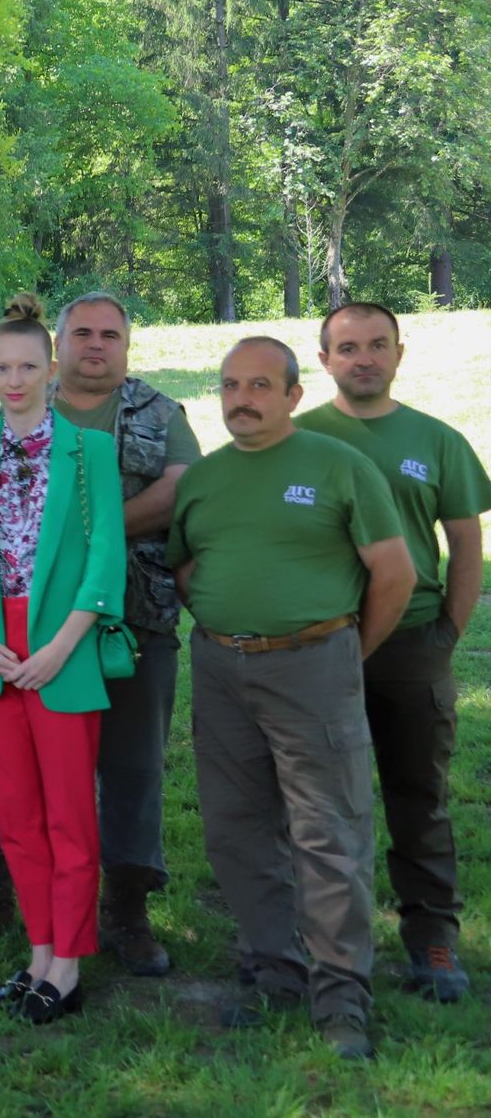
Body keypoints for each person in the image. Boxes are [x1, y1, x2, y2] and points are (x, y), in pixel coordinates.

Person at [169, 336, 414, 1061]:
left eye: (258, 386)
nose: (241, 399)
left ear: (292, 395)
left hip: (315, 665)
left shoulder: (340, 465)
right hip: (220, 666)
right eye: (229, 385)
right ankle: (274, 971)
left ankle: (342, 999)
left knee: (327, 832)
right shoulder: (203, 480)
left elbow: (393, 573)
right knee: (236, 827)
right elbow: (187, 567)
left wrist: (342, 650)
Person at [0, 291, 198, 977]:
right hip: (2, 637)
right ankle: (3, 909)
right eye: (81, 332)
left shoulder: (147, 418)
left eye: (109, 334)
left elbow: (172, 497)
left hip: (118, 626)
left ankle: (119, 915)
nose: (96, 344)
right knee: (5, 790)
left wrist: (73, 600)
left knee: (127, 771)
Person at [0, 297, 125, 1024]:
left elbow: (105, 561)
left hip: (61, 650)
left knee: (70, 816)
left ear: (52, 370)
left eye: (29, 366)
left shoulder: (89, 452)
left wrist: (61, 646)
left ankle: (66, 967)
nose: (15, 380)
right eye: (2, 367)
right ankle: (39, 952)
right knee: (15, 816)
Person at [298, 302, 489, 1003]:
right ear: (324, 361)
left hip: (411, 645)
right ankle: (317, 937)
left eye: (377, 345)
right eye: (348, 347)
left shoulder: (435, 440)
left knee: (419, 796)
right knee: (318, 803)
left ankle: (432, 937)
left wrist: (447, 632)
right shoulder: (301, 436)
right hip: (319, 641)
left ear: (399, 353)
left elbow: (466, 543)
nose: (363, 358)